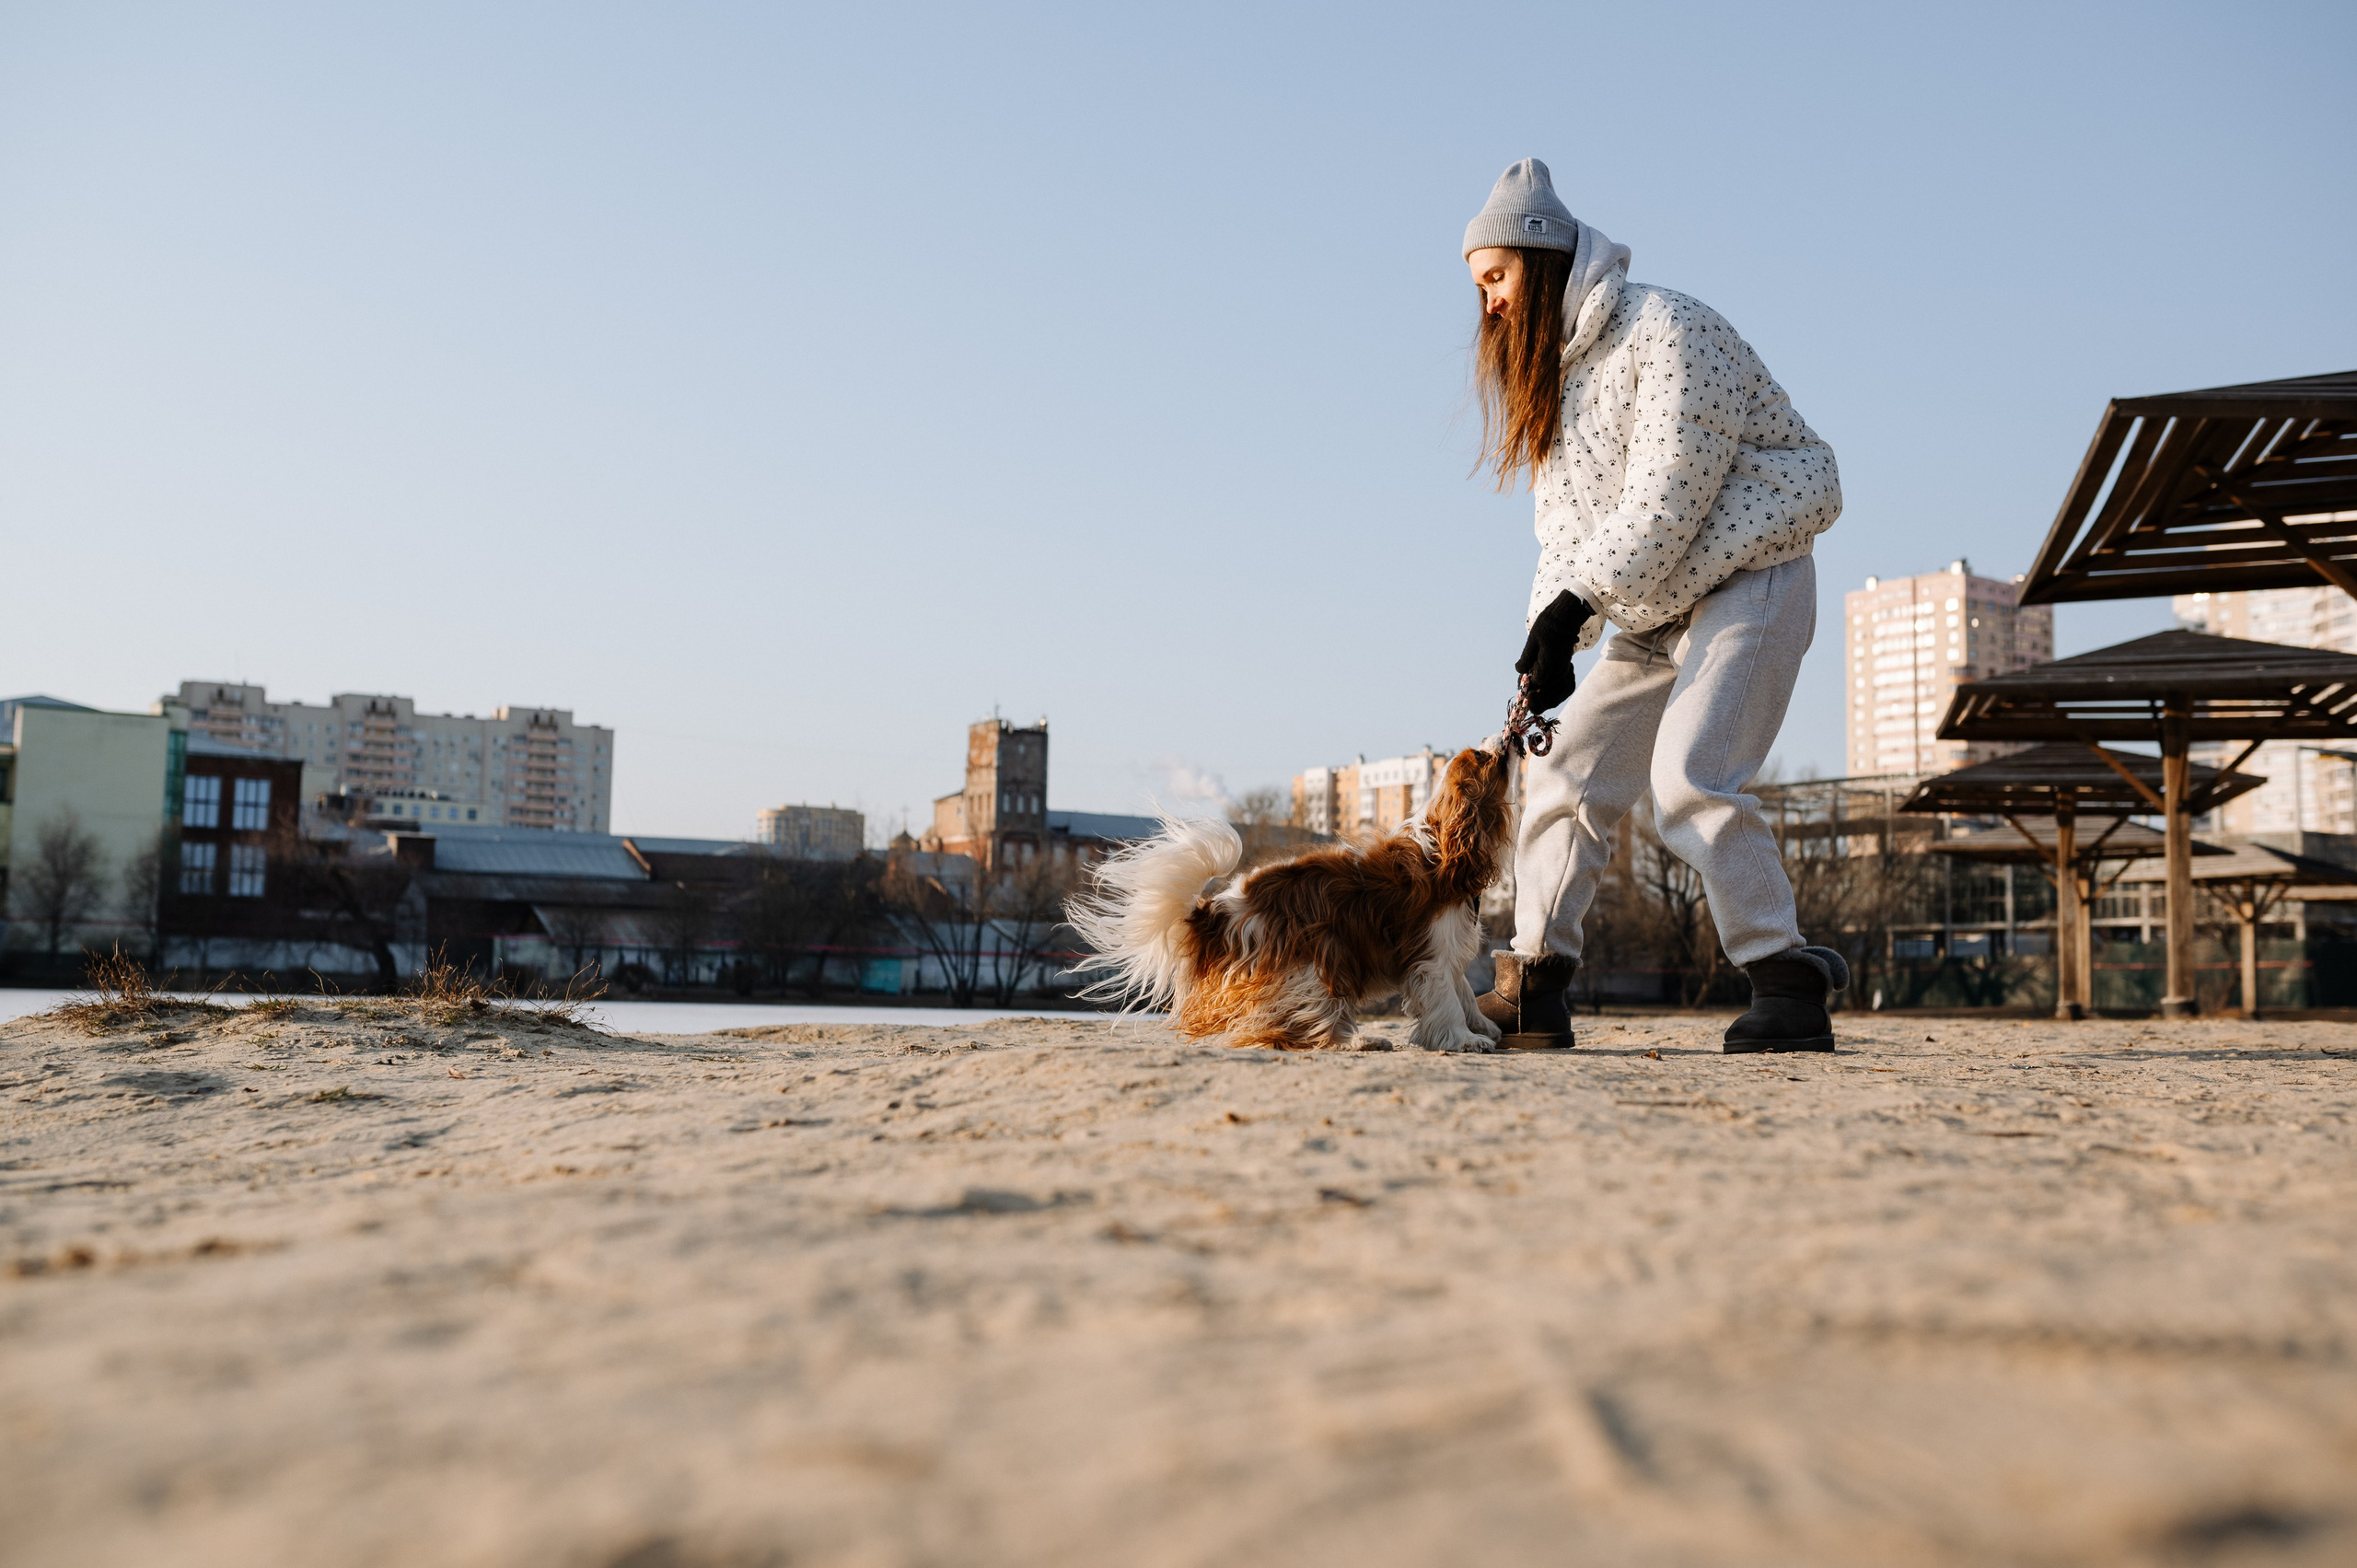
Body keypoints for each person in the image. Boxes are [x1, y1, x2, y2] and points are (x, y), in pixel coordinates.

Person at [1460, 158, 1850, 1052]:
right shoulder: (1556, 392)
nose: (1485, 304)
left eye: (1494, 278)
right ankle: (1534, 984)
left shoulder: (1667, 328)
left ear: (1542, 256)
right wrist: (1542, 639)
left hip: (1751, 580)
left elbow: (1668, 496)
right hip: (1650, 607)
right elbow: (1563, 540)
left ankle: (1785, 978)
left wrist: (1576, 609)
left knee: (1689, 775)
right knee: (1568, 774)